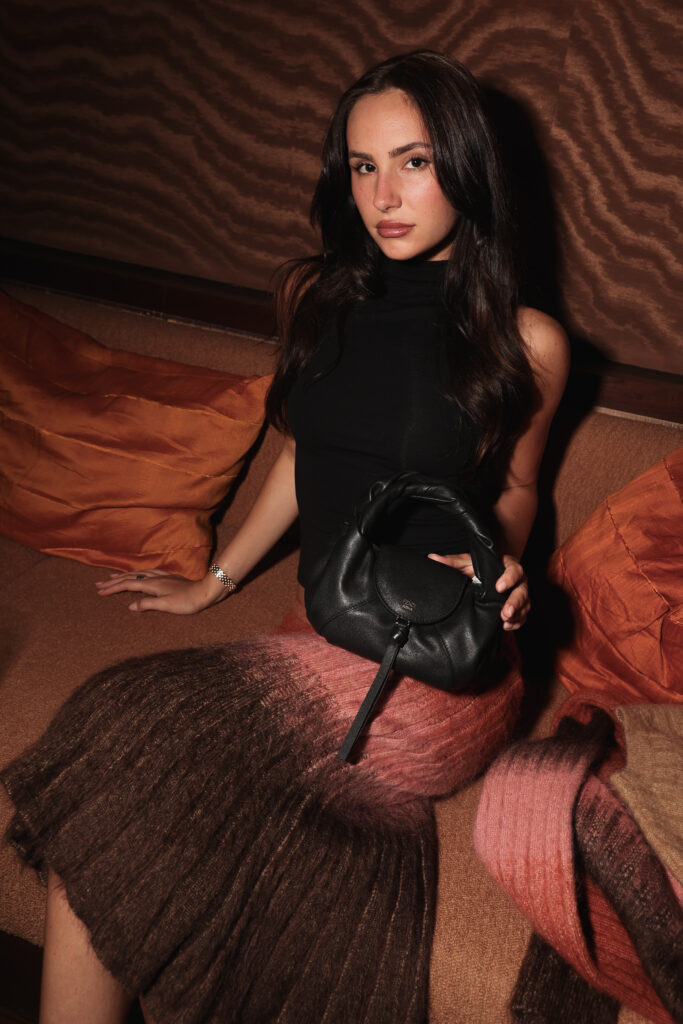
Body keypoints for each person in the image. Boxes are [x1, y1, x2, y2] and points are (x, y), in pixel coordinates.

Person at [2, 51, 569, 1024]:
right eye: (361, 167)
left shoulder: (528, 341)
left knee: (123, 725)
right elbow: (301, 454)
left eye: (413, 162)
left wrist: (494, 561)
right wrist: (214, 578)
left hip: (437, 652)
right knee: (113, 822)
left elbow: (516, 486)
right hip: (321, 620)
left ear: (467, 169)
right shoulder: (320, 299)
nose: (382, 196)